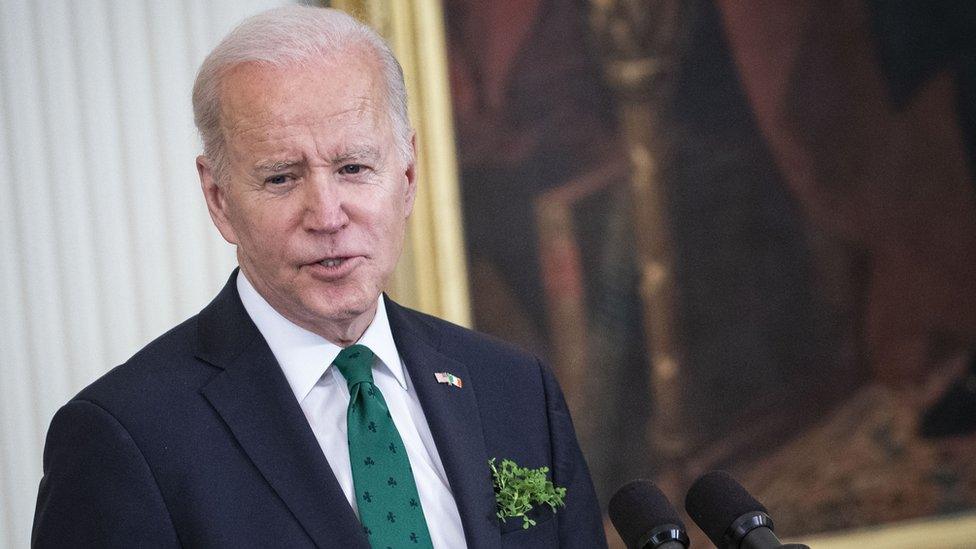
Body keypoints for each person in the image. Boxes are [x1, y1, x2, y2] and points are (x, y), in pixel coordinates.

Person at [31, 6, 605, 548]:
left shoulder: (516, 389)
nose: (327, 216)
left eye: (354, 168)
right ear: (219, 199)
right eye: (281, 178)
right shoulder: (122, 440)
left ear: (406, 174)